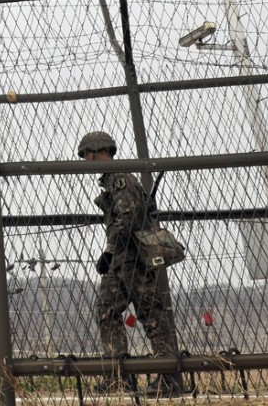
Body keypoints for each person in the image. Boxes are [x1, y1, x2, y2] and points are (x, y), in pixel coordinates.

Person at [78, 131, 185, 398]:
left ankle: (169, 378)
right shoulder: (113, 181)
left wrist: (110, 250)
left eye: (86, 154)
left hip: (133, 259)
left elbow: (126, 218)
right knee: (106, 310)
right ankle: (118, 376)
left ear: (98, 151)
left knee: (150, 314)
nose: (85, 160)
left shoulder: (122, 180)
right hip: (120, 260)